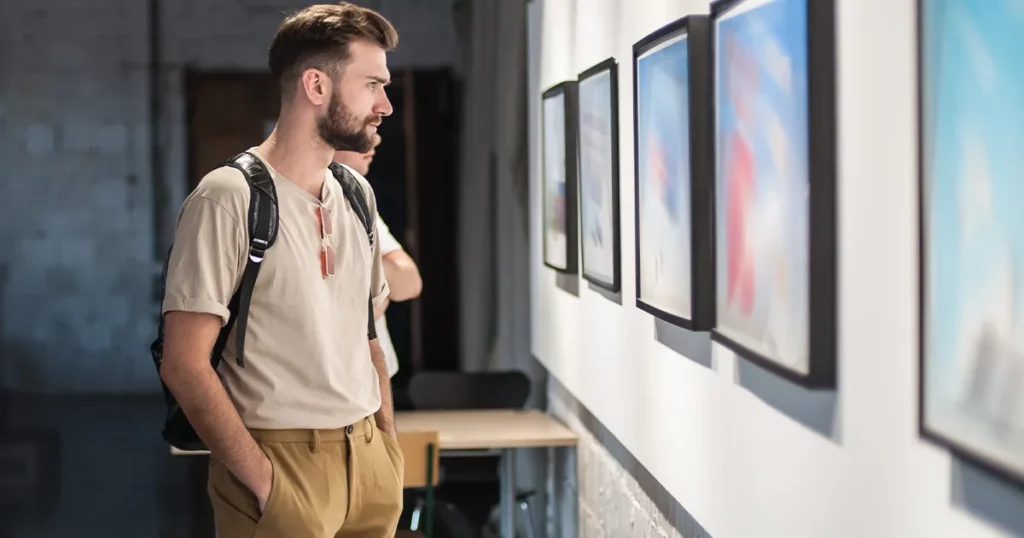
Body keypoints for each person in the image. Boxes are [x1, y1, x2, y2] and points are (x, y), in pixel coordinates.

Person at [157, 4, 404, 537]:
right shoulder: (228, 198)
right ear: (317, 85)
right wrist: (265, 481)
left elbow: (366, 334)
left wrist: (386, 448)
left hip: (367, 463)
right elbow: (183, 363)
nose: (385, 104)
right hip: (279, 464)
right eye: (372, 85)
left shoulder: (356, 193)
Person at [334, 135, 423, 379]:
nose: (376, 140)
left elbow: (410, 282)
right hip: (332, 380)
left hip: (373, 376)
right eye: (363, 127)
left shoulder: (356, 200)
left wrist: (368, 278)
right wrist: (379, 291)